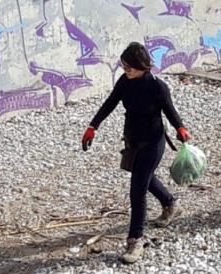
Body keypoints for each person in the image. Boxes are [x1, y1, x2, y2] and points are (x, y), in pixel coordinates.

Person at [81, 42, 191, 263]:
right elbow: (109, 103)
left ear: (143, 66)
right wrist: (93, 126)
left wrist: (181, 128)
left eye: (130, 67)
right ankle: (171, 204)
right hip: (133, 140)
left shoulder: (158, 87)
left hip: (153, 142)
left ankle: (135, 241)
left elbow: (170, 110)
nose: (126, 70)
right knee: (145, 178)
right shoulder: (124, 82)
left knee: (137, 189)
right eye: (124, 66)